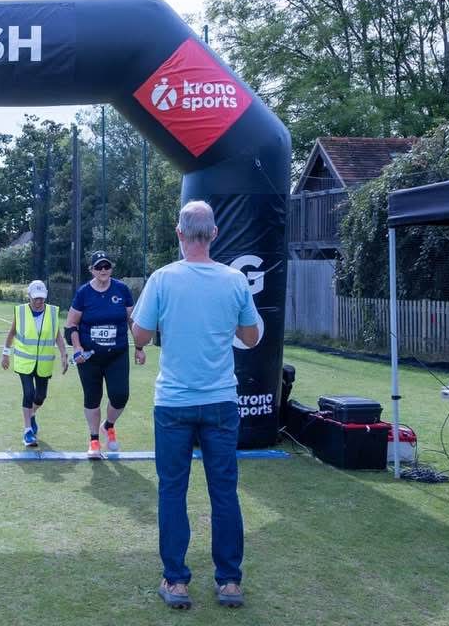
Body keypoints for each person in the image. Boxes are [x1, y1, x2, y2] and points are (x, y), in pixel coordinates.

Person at [131, 200, 260, 610]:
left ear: (179, 233)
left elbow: (140, 337)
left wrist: (140, 321)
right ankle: (229, 583)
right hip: (221, 401)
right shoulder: (235, 280)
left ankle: (177, 581)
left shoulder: (162, 279)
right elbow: (252, 336)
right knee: (224, 492)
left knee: (172, 491)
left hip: (173, 403)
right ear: (215, 234)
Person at [65, 251, 144, 458]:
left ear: (111, 268)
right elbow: (71, 324)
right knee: (92, 397)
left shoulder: (122, 290)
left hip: (116, 354)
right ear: (91, 270)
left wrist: (139, 347)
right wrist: (77, 348)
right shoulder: (83, 293)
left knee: (120, 395)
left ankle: (108, 425)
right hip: (89, 358)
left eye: (106, 266)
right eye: (98, 267)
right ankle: (94, 441)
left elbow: (132, 321)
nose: (103, 270)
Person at [0, 280, 69, 446]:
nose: (39, 301)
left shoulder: (52, 312)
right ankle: (27, 431)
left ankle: (31, 414)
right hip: (24, 361)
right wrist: (5, 354)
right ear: (29, 296)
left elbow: (57, 335)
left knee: (41, 396)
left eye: (42, 298)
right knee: (29, 393)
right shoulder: (21, 311)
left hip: (44, 363)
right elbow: (11, 333)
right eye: (36, 298)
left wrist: (64, 354)